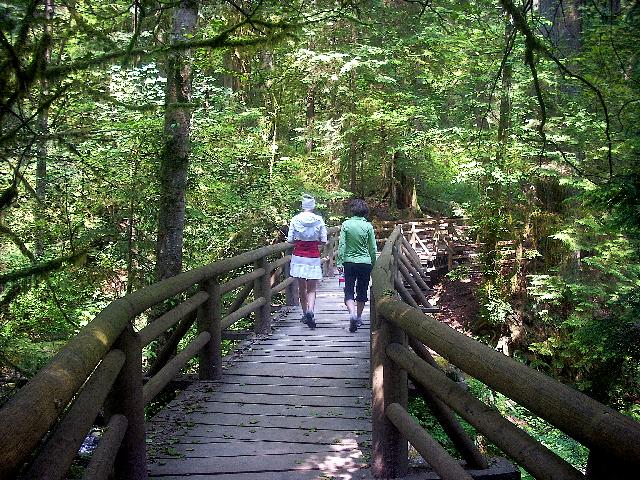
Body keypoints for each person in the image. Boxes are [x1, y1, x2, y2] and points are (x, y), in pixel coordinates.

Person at [287, 194, 327, 329]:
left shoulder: (295, 219)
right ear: (313, 206)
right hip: (313, 256)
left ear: (302, 206)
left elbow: (290, 239)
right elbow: (324, 240)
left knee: (301, 288)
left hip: (298, 256)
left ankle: (305, 313)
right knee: (312, 288)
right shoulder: (319, 220)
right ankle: (311, 311)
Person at [337, 199, 377, 333]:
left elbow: (342, 245)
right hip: (365, 262)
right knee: (362, 290)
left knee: (348, 289)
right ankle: (359, 317)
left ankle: (352, 314)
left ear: (352, 211)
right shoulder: (368, 226)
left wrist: (339, 262)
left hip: (349, 262)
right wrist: (373, 263)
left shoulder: (346, 224)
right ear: (365, 212)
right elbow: (372, 248)